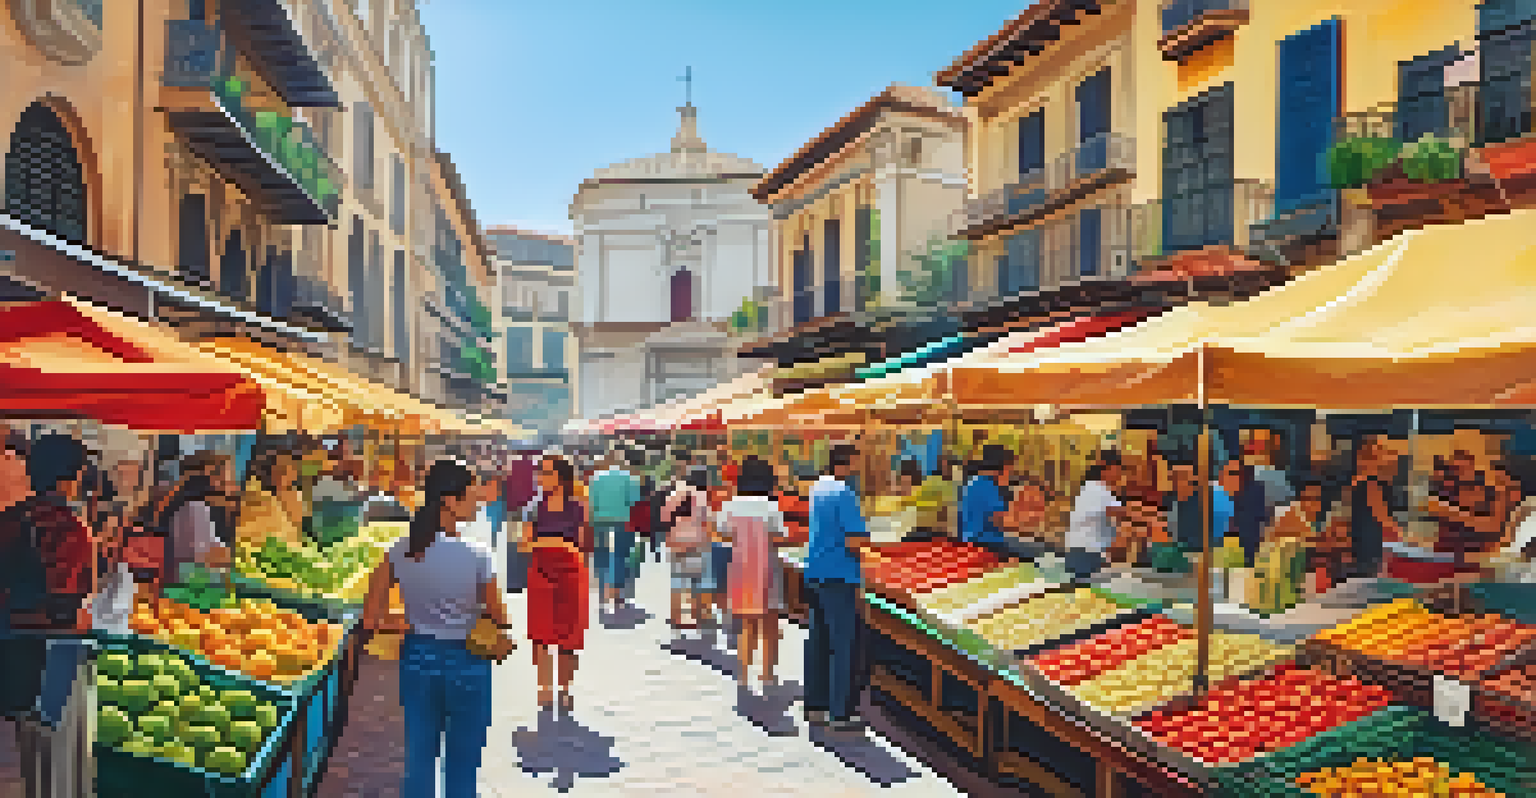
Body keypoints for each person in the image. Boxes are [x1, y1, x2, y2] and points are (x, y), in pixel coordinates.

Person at [362, 459, 510, 798]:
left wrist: (409, 621)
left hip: (417, 659)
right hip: (468, 663)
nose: (479, 501)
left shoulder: (398, 551)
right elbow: (500, 617)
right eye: (471, 495)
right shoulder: (477, 555)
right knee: (462, 764)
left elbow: (371, 621)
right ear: (448, 500)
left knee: (419, 759)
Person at [804, 444, 869, 733]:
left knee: (818, 640)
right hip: (839, 575)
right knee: (843, 645)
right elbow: (854, 540)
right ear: (848, 461)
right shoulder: (844, 493)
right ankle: (840, 711)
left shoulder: (818, 488)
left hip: (816, 570)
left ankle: (815, 704)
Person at [522, 455, 592, 713]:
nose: (540, 477)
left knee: (569, 633)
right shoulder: (533, 506)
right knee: (540, 632)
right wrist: (556, 543)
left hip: (572, 572)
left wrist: (564, 547)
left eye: (546, 473)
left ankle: (565, 688)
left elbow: (584, 545)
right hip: (541, 571)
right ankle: (544, 688)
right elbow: (524, 544)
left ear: (561, 477)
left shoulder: (579, 507)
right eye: (540, 472)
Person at [718, 457, 790, 695]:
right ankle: (767, 675)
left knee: (747, 625)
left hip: (740, 568)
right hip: (767, 567)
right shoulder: (771, 506)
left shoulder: (730, 505)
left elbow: (722, 533)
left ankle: (743, 675)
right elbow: (781, 536)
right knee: (770, 625)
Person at [152, 452, 236, 580]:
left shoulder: (183, 504)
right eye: (228, 477)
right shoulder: (196, 509)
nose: (233, 485)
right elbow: (207, 557)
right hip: (197, 583)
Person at [589, 449, 641, 616]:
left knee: (602, 557)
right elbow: (634, 503)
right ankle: (618, 595)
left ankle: (603, 595)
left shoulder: (596, 478)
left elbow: (591, 503)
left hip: (600, 521)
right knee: (619, 557)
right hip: (622, 522)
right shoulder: (630, 479)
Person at [664, 466, 713, 632]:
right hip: (697, 543)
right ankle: (699, 615)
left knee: (677, 581)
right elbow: (707, 520)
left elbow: (664, 516)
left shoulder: (676, 492)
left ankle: (675, 616)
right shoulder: (702, 496)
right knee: (698, 581)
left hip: (676, 541)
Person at [1065, 450, 1128, 580]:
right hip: (1085, 554)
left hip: (1082, 552)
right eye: (1119, 470)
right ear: (1107, 469)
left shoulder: (1096, 489)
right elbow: (1123, 513)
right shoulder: (1098, 489)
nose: (1120, 475)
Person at [1348, 438, 1401, 578]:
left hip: (1360, 540)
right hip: (1373, 543)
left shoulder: (1355, 481)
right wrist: (1403, 536)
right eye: (1380, 452)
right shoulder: (1370, 482)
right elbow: (1382, 517)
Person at [236, 448, 304, 548]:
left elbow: (296, 534)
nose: (283, 477)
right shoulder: (255, 497)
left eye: (288, 471)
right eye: (281, 470)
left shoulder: (294, 496)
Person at [960, 445, 1015, 549]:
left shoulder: (975, 481)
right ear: (1001, 466)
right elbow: (1000, 521)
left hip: (974, 540)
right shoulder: (987, 486)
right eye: (1009, 468)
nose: (1011, 473)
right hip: (986, 543)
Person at [1222, 460, 1270, 567]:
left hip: (1250, 536)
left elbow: (1262, 515)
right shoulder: (1227, 490)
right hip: (1236, 538)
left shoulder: (1256, 488)